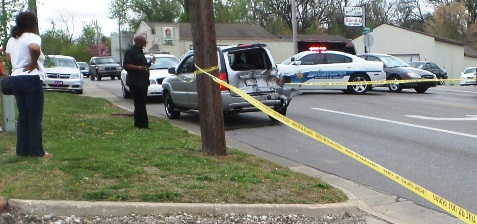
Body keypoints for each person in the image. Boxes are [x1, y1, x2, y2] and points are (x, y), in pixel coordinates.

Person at [3, 11, 50, 158]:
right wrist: (33, 62)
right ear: (33, 23)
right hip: (31, 78)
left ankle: (22, 151)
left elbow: (9, 59)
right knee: (34, 117)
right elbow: (34, 48)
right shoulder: (32, 37)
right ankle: (37, 152)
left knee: (23, 116)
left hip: (16, 79)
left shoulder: (12, 40)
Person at [123, 35, 155, 129]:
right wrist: (139, 68)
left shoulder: (140, 52)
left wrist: (150, 63)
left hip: (143, 82)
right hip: (135, 82)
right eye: (144, 42)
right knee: (139, 104)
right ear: (138, 42)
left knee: (142, 103)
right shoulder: (130, 52)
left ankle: (142, 124)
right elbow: (126, 65)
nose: (145, 43)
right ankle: (141, 125)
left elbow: (144, 65)